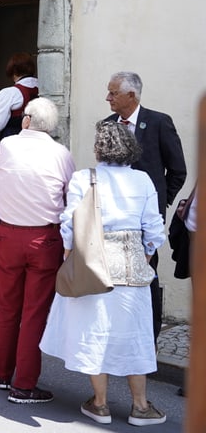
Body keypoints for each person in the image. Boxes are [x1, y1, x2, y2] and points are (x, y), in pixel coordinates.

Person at [40, 121, 168, 426]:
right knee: (135, 336)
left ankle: (100, 404)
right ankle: (140, 406)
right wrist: (144, 257)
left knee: (94, 332)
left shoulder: (84, 178)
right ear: (131, 148)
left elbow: (69, 226)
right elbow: (153, 230)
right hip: (132, 267)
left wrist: (70, 258)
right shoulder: (143, 181)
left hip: (92, 267)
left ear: (99, 147)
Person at [0, 97, 75, 404]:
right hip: (44, 237)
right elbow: (69, 192)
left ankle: (2, 372)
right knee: (34, 313)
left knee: (8, 307)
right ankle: (23, 384)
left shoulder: (9, 145)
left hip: (9, 234)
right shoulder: (61, 153)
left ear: (25, 120)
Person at [104, 70, 186, 341]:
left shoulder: (159, 123)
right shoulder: (107, 124)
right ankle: (118, 336)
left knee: (146, 276)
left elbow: (177, 171)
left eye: (113, 93)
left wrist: (160, 203)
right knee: (114, 277)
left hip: (144, 221)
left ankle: (147, 339)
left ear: (132, 95)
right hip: (113, 220)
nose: (108, 98)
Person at [0, 52, 38, 139]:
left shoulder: (11, 93)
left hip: (13, 141)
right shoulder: (42, 88)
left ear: (13, 71)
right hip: (38, 141)